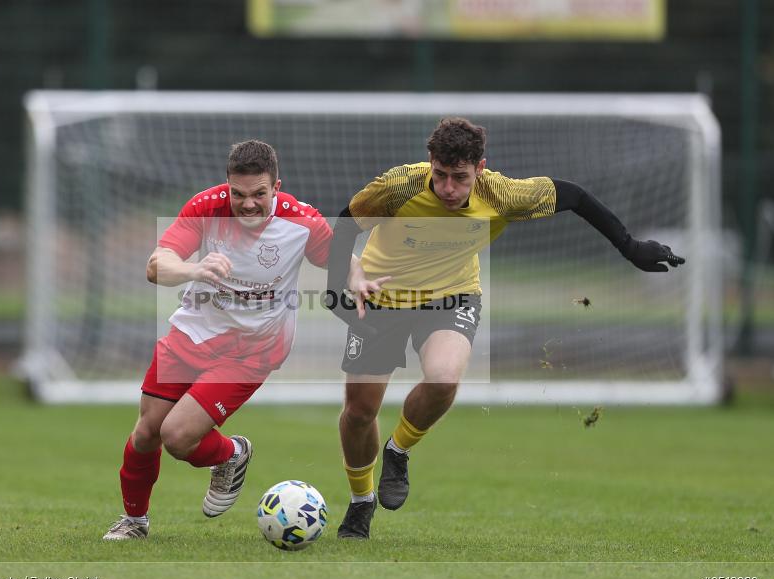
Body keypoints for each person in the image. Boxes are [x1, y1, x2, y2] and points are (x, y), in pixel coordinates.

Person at [326, 117, 685, 539]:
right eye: (440, 175)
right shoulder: (399, 186)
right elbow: (345, 224)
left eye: (460, 178)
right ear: (430, 162)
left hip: (452, 296)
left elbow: (575, 196)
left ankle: (398, 450)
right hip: (382, 296)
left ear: (480, 169)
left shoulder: (502, 193)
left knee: (443, 378)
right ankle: (361, 502)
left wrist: (631, 247)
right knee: (359, 413)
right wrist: (340, 288)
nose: (448, 188)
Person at [103, 140, 335, 540]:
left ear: (276, 187)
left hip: (253, 350)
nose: (248, 204)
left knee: (177, 437)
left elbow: (342, 260)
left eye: (259, 194)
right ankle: (135, 522)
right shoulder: (206, 207)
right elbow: (156, 265)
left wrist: (365, 281)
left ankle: (230, 454)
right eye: (238, 194)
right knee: (146, 433)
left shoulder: (302, 222)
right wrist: (193, 270)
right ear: (227, 185)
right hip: (193, 333)